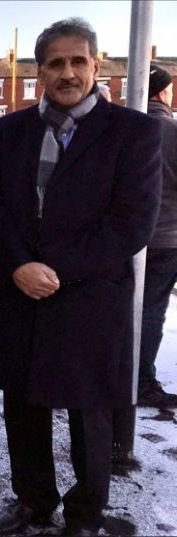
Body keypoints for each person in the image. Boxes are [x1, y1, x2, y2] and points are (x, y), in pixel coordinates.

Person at [0, 18, 162, 536]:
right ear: (40, 72)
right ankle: (34, 500)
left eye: (78, 60)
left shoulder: (133, 132)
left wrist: (53, 269)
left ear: (96, 65)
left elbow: (131, 224)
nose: (68, 72)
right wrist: (18, 264)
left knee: (90, 412)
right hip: (19, 292)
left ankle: (85, 514)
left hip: (88, 297)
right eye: (55, 63)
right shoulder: (12, 132)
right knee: (24, 404)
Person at [138, 64, 177, 408]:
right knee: (152, 311)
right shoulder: (172, 130)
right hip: (166, 238)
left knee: (128, 309)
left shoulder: (126, 127)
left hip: (130, 239)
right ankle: (142, 382)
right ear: (164, 93)